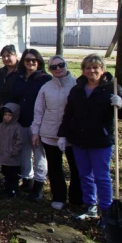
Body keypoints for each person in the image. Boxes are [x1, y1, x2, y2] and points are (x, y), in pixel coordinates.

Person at [59, 55, 122, 225]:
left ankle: (106, 210)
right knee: (85, 175)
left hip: (101, 140)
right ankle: (91, 205)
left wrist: (120, 104)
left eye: (95, 68)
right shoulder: (77, 89)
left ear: (102, 69)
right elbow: (69, 113)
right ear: (83, 70)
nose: (92, 71)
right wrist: (62, 134)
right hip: (79, 139)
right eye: (88, 68)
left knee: (102, 176)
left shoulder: (111, 88)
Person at [31, 55, 82, 210]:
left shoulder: (77, 85)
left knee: (76, 167)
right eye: (53, 67)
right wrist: (35, 132)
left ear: (66, 65)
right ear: (50, 70)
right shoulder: (46, 87)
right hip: (49, 133)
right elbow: (39, 111)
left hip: (72, 134)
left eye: (61, 65)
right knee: (54, 168)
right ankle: (58, 197)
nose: (58, 69)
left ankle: (76, 198)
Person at [7, 48, 51, 199]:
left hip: (39, 122)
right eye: (27, 60)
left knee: (39, 154)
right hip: (21, 121)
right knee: (24, 153)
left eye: (34, 60)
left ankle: (38, 186)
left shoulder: (45, 79)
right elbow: (13, 97)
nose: (30, 63)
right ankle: (27, 181)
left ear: (39, 62)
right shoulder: (18, 78)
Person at [0, 103, 24, 198]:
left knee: (12, 174)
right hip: (3, 154)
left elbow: (20, 141)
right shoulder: (1, 126)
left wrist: (15, 151)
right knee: (5, 172)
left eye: (10, 115)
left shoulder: (17, 127)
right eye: (5, 115)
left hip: (12, 156)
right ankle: (6, 188)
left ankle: (13, 190)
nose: (7, 117)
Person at [0, 45, 19, 133]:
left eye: (8, 55)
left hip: (14, 114)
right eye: (3, 56)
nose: (6, 58)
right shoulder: (0, 72)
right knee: (0, 139)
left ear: (15, 56)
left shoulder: (21, 73)